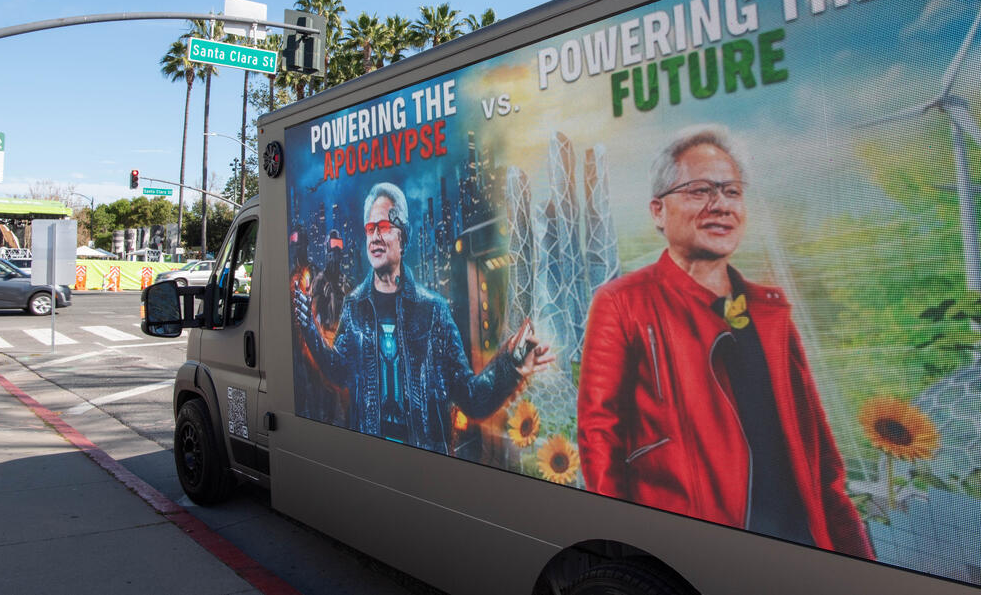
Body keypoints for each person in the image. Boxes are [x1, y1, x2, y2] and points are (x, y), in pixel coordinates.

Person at [576, 126, 873, 558]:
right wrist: (624, 556)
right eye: (699, 191)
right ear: (658, 211)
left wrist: (857, 560)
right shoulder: (623, 304)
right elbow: (599, 441)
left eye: (731, 191)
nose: (720, 206)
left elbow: (821, 460)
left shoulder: (770, 312)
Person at [297, 181, 554, 454]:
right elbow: (339, 371)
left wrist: (511, 366)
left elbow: (471, 397)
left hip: (424, 464)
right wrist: (309, 329)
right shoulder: (354, 306)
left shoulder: (434, 311)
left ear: (403, 237)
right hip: (370, 458)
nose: (374, 237)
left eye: (383, 227)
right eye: (370, 229)